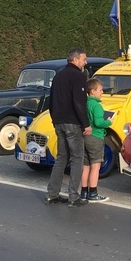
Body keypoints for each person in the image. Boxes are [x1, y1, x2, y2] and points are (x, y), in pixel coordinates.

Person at [45, 48, 91, 207]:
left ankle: (52, 194)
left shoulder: (58, 76)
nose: (85, 62)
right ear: (75, 60)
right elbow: (79, 102)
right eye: (84, 59)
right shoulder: (78, 76)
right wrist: (86, 124)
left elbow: (51, 100)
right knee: (77, 158)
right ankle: (74, 197)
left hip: (59, 122)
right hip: (73, 123)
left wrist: (54, 120)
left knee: (61, 158)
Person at [80, 78, 112, 201]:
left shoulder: (85, 103)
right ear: (92, 91)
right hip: (96, 137)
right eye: (100, 90)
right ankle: (93, 193)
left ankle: (84, 192)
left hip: (84, 137)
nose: (102, 92)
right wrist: (108, 122)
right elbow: (99, 122)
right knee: (95, 166)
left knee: (85, 166)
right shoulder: (97, 106)